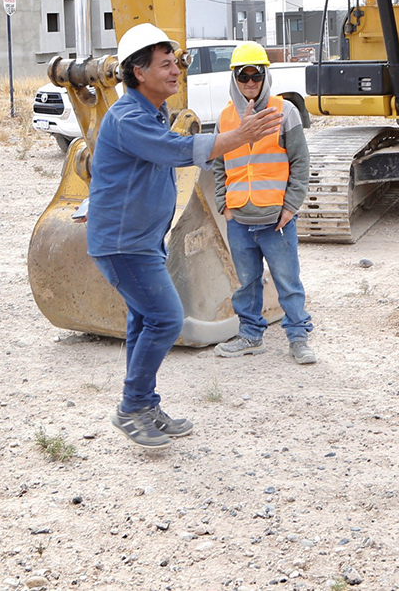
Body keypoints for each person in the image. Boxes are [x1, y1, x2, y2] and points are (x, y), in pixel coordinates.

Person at [88, 23, 283, 447]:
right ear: (138, 72)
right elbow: (177, 152)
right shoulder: (126, 118)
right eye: (166, 64)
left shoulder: (150, 113)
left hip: (142, 240)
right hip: (123, 244)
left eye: (176, 62)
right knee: (166, 318)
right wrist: (239, 137)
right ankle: (131, 408)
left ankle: (144, 403)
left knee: (144, 320)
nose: (176, 71)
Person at [211, 42, 316, 364]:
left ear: (265, 75)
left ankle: (298, 338)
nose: (250, 82)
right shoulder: (226, 118)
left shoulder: (285, 111)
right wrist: (223, 206)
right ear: (235, 78)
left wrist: (291, 207)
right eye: (244, 76)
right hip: (240, 218)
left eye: (256, 75)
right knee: (246, 284)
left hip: (276, 221)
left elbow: (300, 162)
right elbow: (218, 164)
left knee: (288, 283)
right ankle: (250, 335)